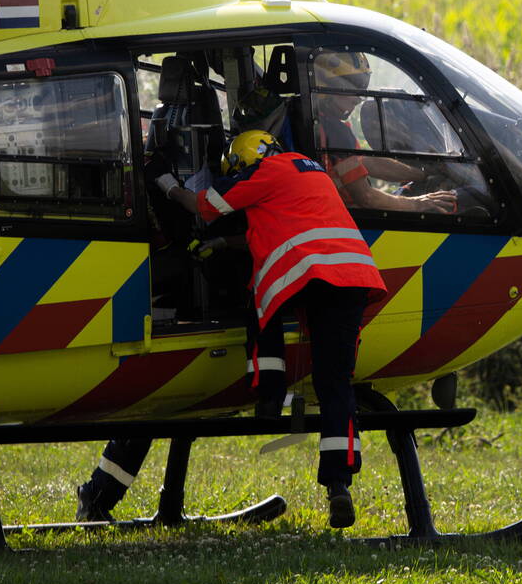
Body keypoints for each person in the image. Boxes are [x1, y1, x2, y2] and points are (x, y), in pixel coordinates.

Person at [154, 129, 387, 528]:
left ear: (245, 161)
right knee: (335, 382)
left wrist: (165, 183)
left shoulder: (264, 172)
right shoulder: (310, 170)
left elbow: (202, 206)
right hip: (353, 275)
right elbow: (278, 226)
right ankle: (339, 484)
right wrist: (224, 244)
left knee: (260, 297)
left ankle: (269, 396)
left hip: (306, 269)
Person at [312, 51, 457, 214]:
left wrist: (423, 174)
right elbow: (366, 197)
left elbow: (368, 163)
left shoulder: (319, 123)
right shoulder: (335, 132)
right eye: (350, 88)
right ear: (327, 87)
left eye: (360, 89)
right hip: (346, 220)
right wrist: (419, 204)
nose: (357, 99)